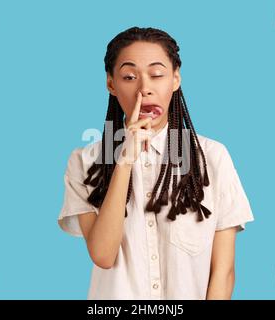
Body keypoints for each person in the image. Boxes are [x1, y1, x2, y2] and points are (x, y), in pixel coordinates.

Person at [58, 26, 254, 300]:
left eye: (157, 74)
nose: (144, 89)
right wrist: (124, 159)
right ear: (111, 84)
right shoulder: (85, 161)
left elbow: (223, 271)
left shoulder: (212, 156)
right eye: (129, 77)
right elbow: (103, 255)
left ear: (175, 79)